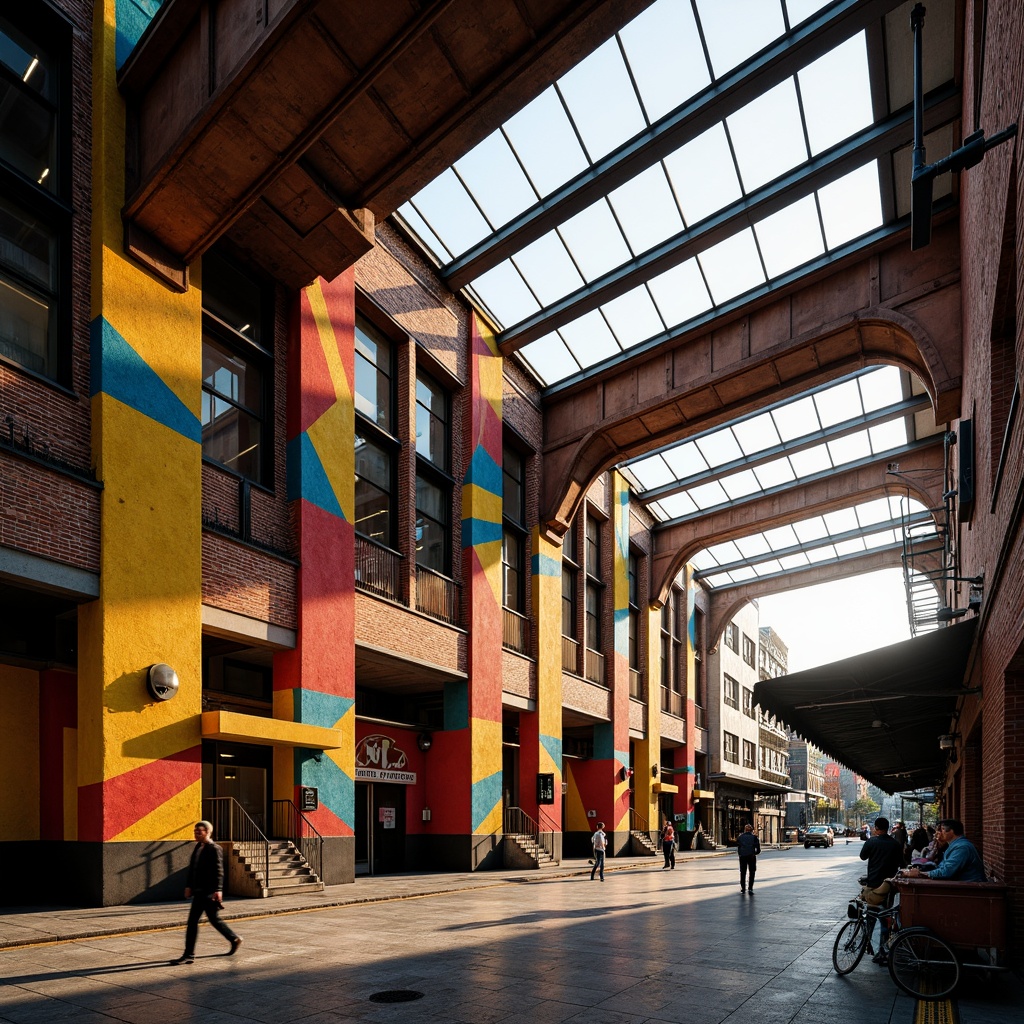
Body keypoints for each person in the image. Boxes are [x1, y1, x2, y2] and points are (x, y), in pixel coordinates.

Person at [171, 821, 243, 965]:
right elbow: (193, 869)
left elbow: (219, 871)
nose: (196, 834)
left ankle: (188, 955)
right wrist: (189, 886)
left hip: (208, 892)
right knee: (213, 919)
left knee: (193, 922)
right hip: (199, 890)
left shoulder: (214, 848)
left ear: (208, 832)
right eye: (195, 831)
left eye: (199, 831)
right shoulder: (198, 847)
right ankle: (233, 938)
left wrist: (218, 890)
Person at [859, 817, 904, 964]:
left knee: (871, 915)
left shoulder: (872, 841)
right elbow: (901, 863)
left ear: (876, 828)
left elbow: (863, 856)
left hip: (873, 885)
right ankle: (882, 951)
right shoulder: (895, 844)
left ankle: (867, 944)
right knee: (885, 917)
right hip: (888, 886)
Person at [904, 819, 986, 881]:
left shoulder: (961, 847)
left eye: (942, 829)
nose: (939, 833)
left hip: (969, 890)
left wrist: (920, 874)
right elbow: (942, 867)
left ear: (951, 831)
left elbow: (946, 872)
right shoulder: (955, 845)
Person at [736, 823, 760, 893]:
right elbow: (758, 849)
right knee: (752, 872)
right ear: (752, 830)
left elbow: (738, 846)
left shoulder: (740, 837)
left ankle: (743, 888)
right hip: (751, 856)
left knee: (743, 872)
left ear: (745, 830)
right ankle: (750, 888)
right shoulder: (754, 838)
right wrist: (754, 853)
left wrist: (740, 854)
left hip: (743, 856)